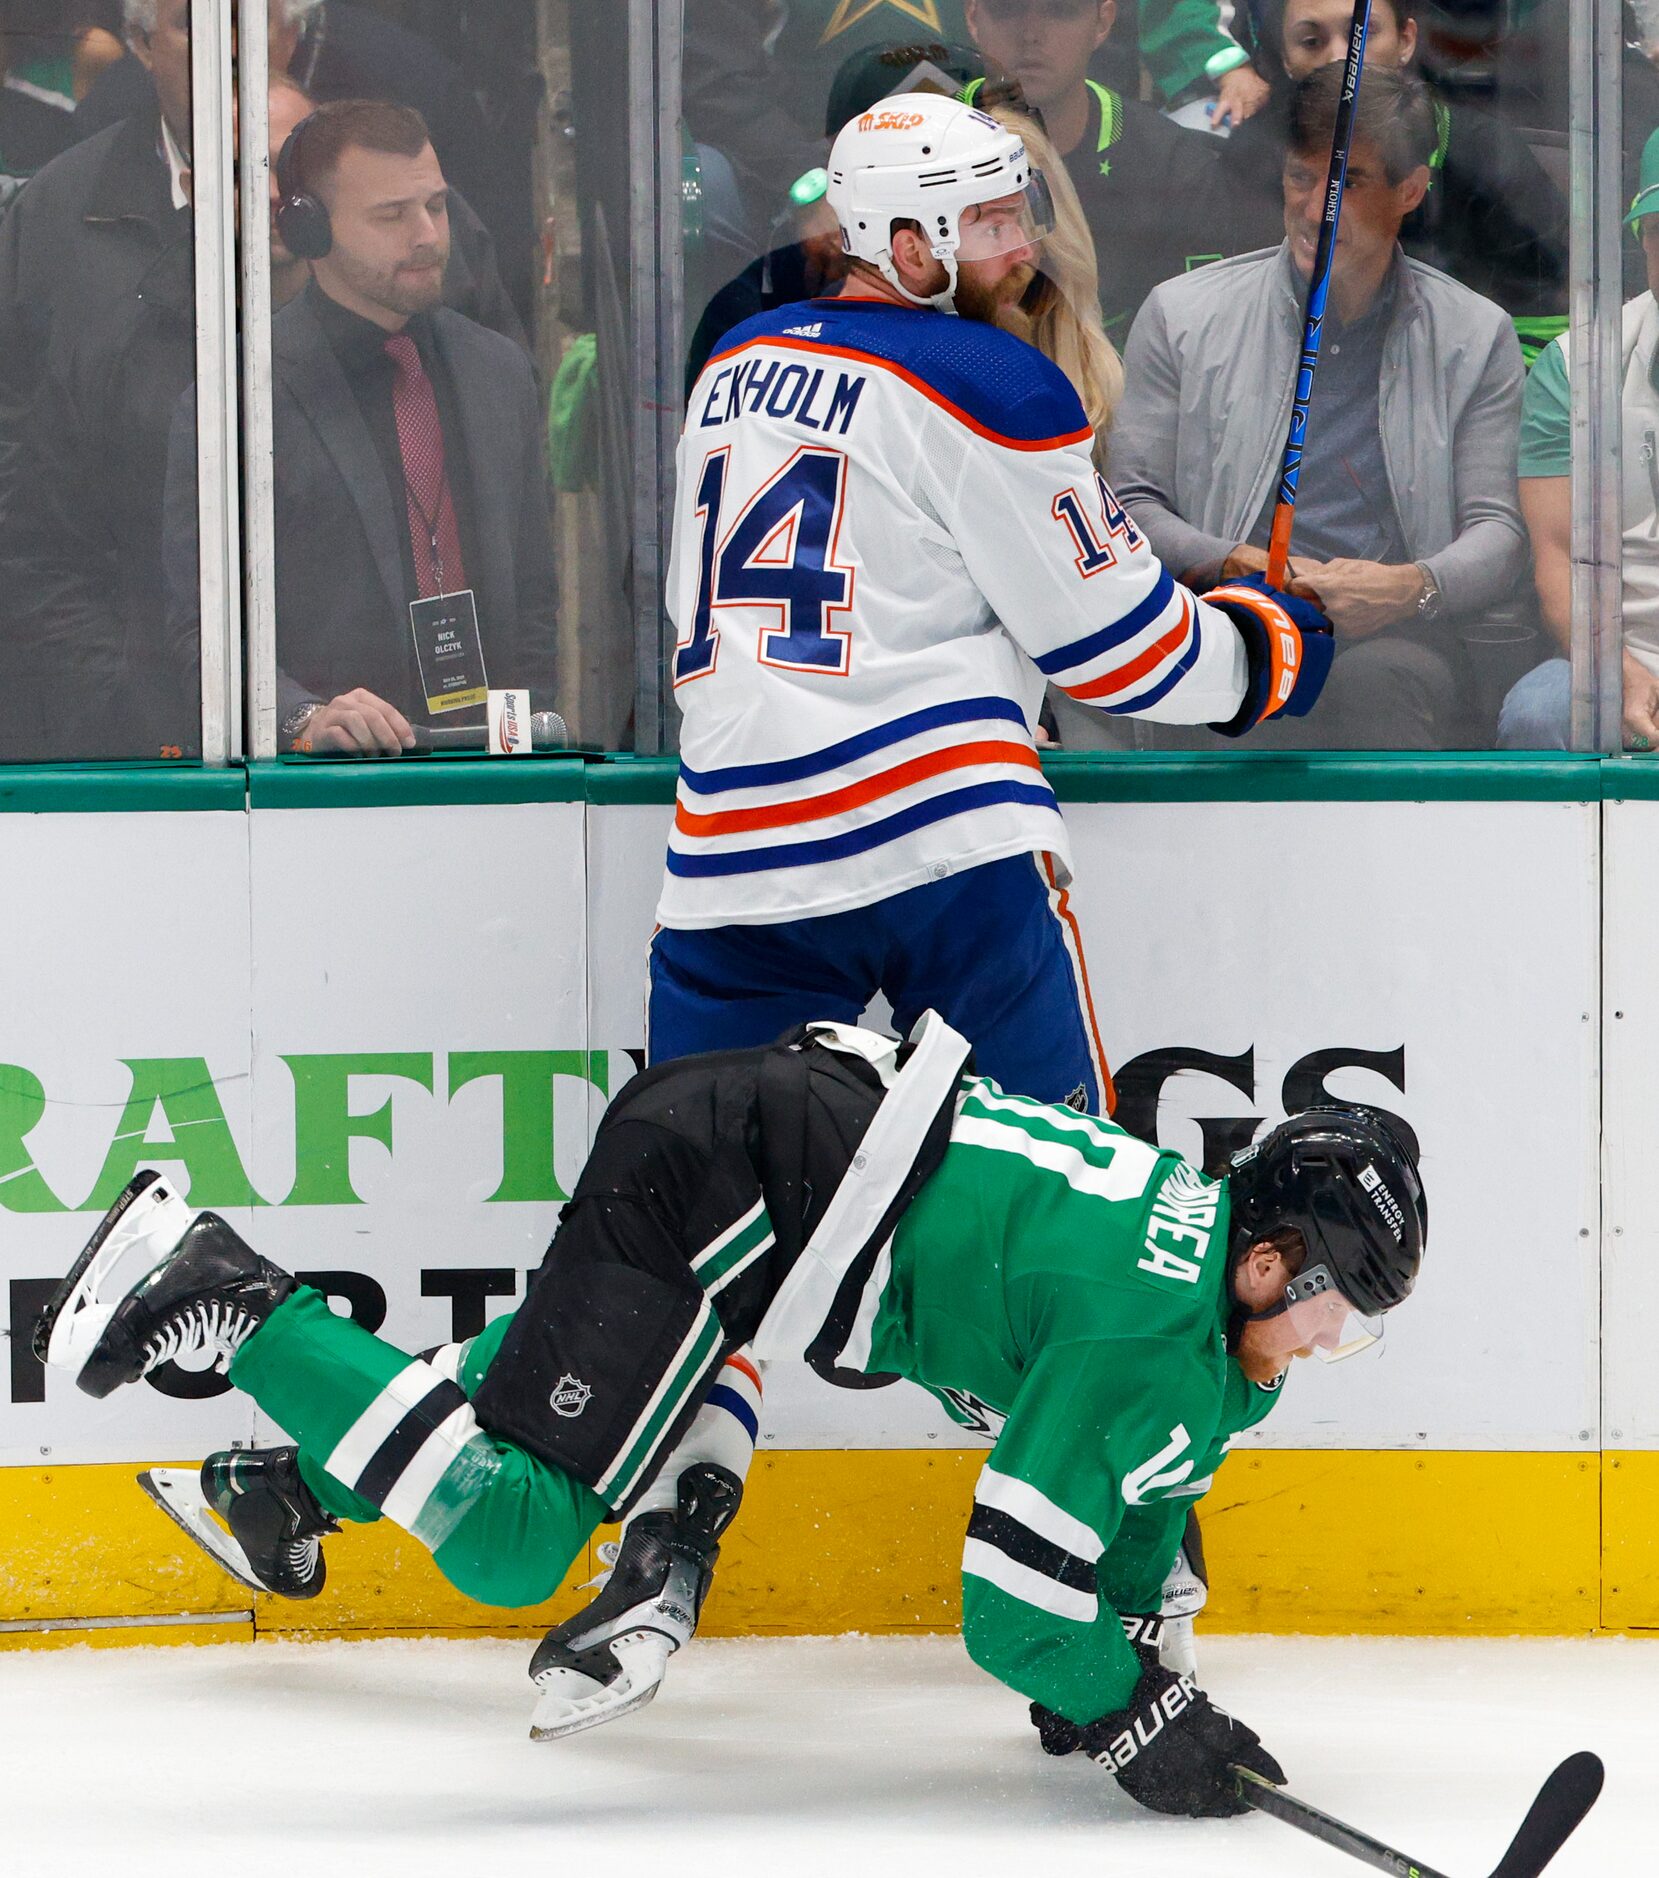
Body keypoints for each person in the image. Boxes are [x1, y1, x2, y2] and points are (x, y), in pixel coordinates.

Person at [37, 1011, 1426, 1813]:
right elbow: (1006, 1607)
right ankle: (229, 1294)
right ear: (1267, 1260)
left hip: (783, 1164)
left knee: (583, 1404)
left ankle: (289, 1489)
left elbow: (1132, 1499)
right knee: (522, 1527)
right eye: (1336, 1305)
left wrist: (1124, 1662)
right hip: (732, 1183)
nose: (1330, 1338)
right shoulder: (1158, 1341)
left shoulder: (1192, 1292)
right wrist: (1127, 1704)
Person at [1112, 64, 1529, 750]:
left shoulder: (1475, 334)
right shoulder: (1181, 315)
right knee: (1238, 685)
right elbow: (1130, 502)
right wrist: (1230, 562)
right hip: (1228, 621)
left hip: (1388, 634)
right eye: (1300, 178)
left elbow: (1497, 532)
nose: (1315, 210)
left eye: (1348, 183)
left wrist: (1407, 588)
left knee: (1376, 684)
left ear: (1410, 191)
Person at [167, 101, 558, 756]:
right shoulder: (241, 399)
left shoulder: (498, 371)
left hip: (492, 769)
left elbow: (536, 602)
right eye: (390, 215)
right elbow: (200, 631)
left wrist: (534, 745)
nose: (427, 235)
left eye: (434, 205)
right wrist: (301, 718)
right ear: (309, 230)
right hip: (327, 783)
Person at [1220, 0, 1568, 365]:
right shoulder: (1253, 159)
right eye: (1311, 41)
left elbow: (1549, 334)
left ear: (1406, 40)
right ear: (1286, 59)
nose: (1342, 58)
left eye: (1363, 34)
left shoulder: (1485, 155)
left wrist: (1467, 399)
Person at [1496, 128, 1659, 753]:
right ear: (1641, 239)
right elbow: (1557, 558)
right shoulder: (1578, 365)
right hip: (1625, 656)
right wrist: (1616, 669)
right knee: (1539, 712)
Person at [961, 0, 1239, 345]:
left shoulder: (1173, 163)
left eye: (1060, 11)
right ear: (973, 16)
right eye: (1008, 9)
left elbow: (1199, 337)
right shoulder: (912, 148)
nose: (1031, 35)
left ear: (1103, 20)